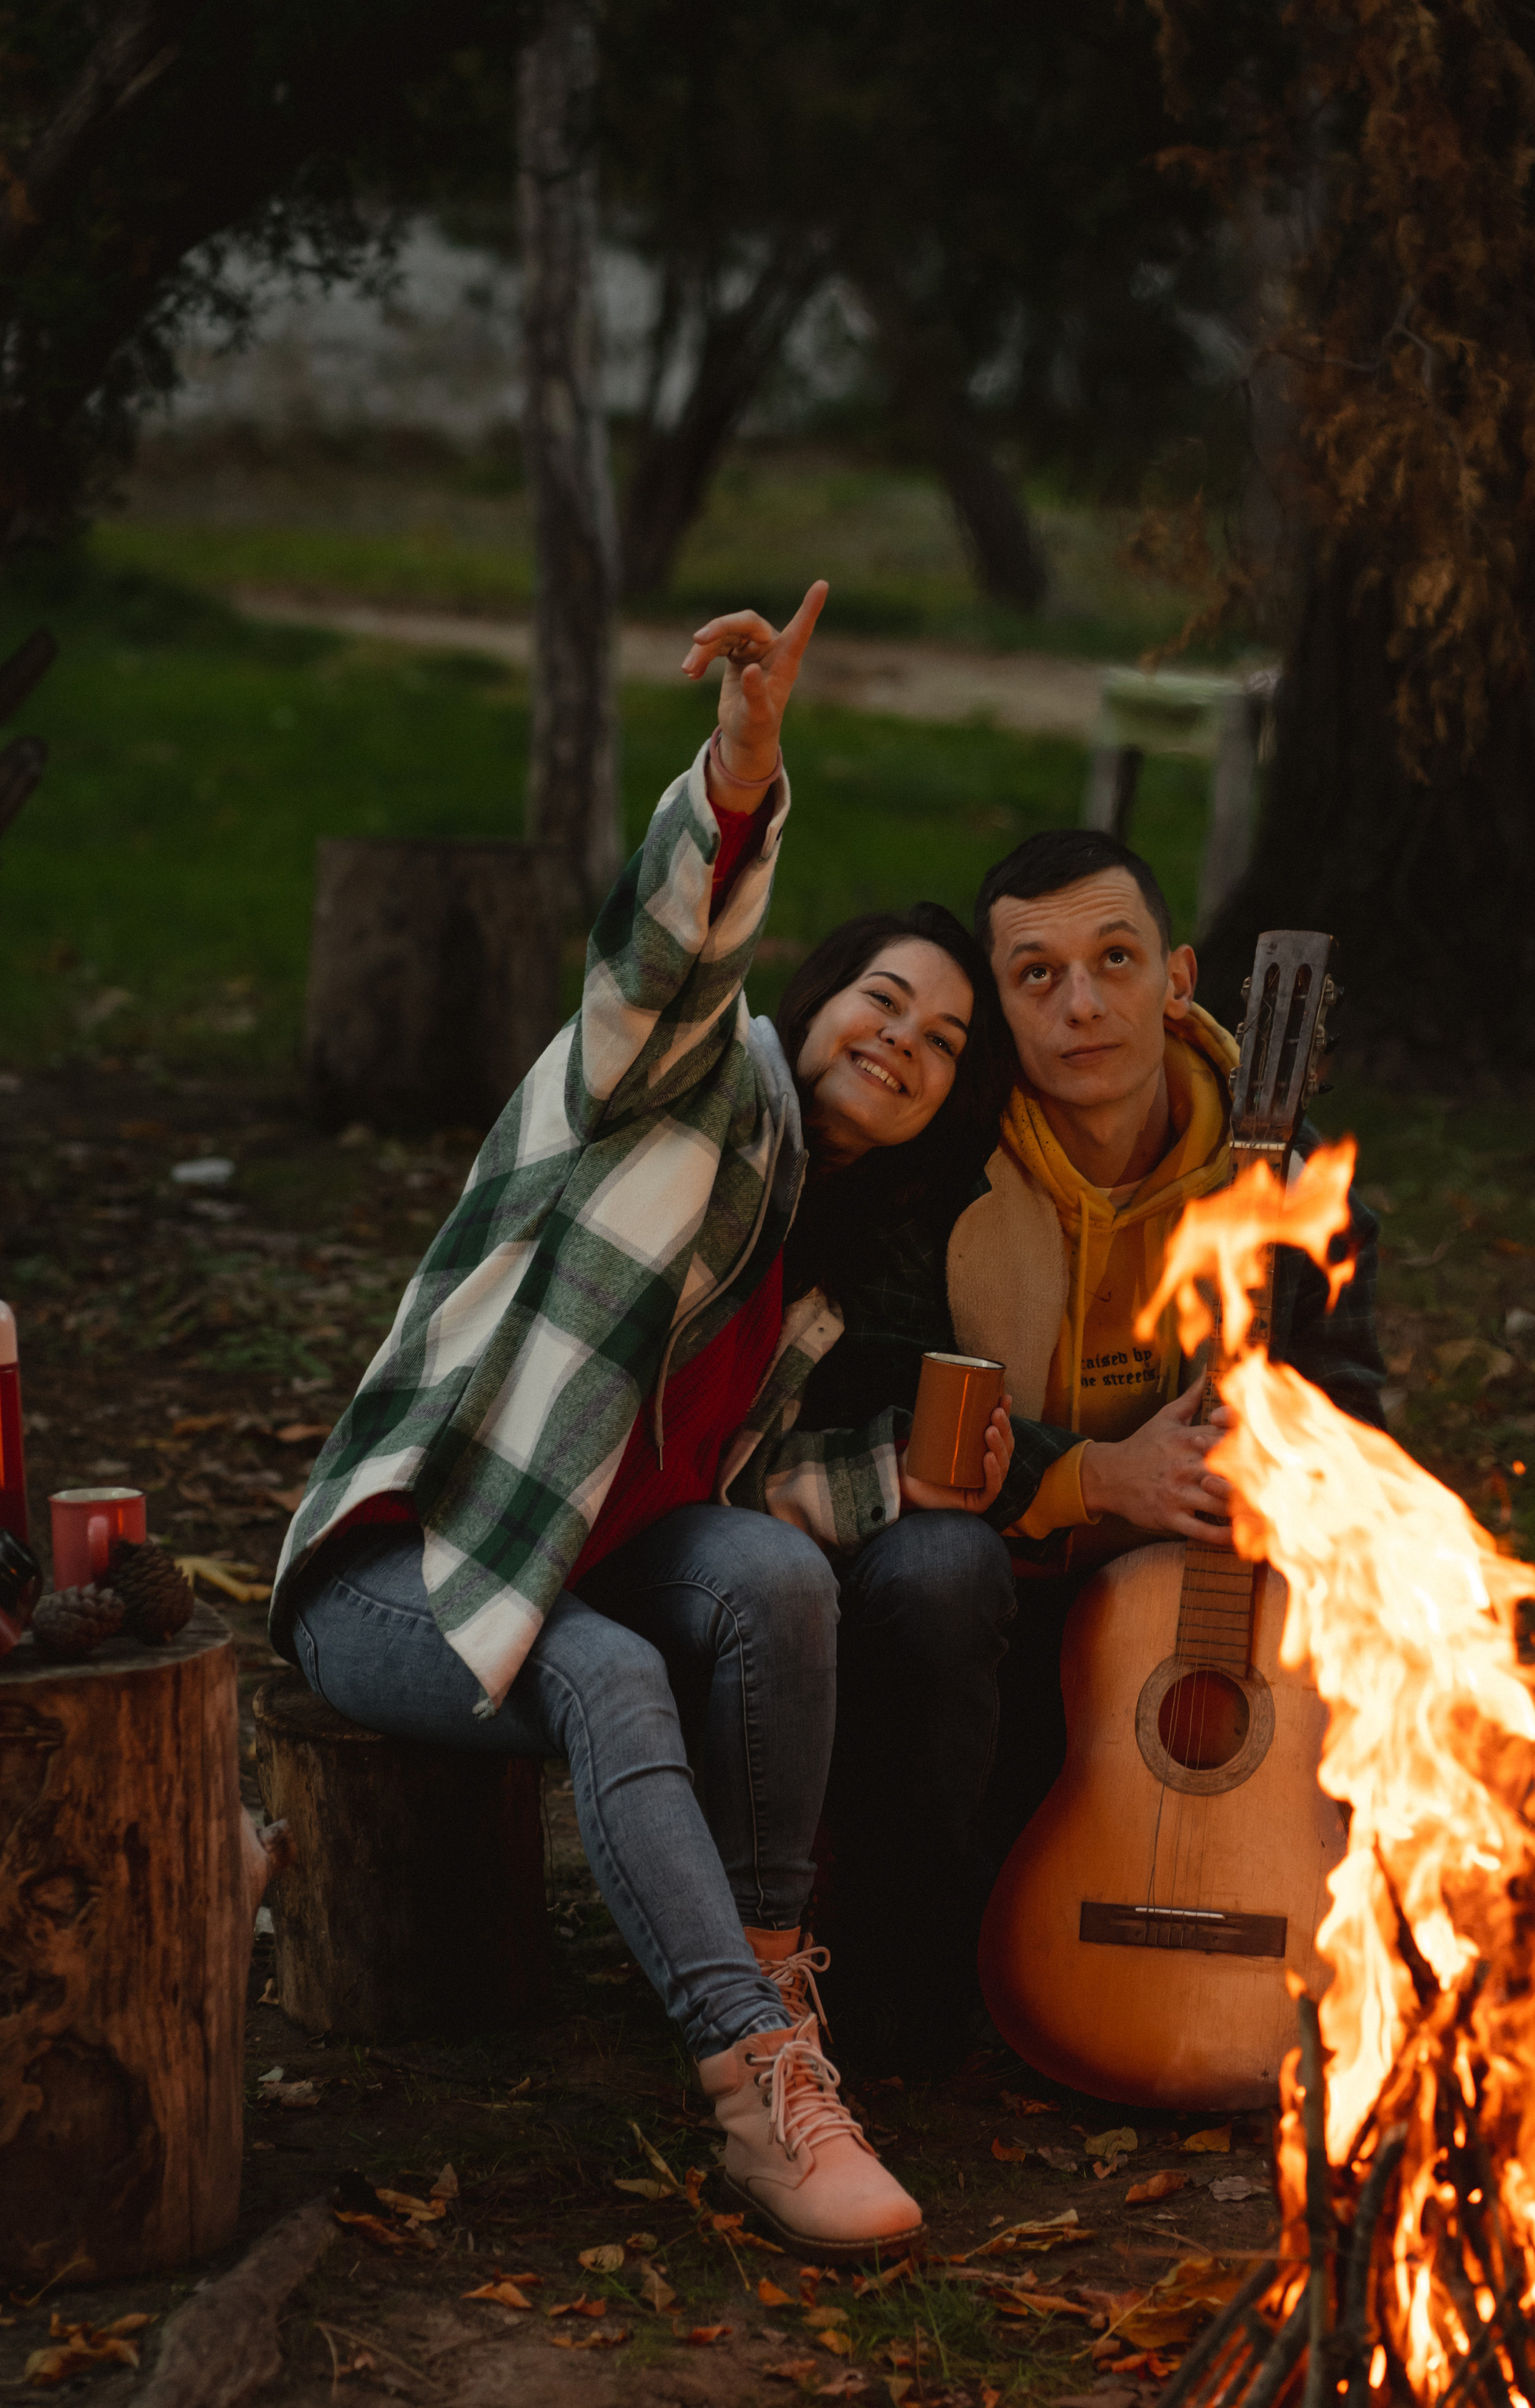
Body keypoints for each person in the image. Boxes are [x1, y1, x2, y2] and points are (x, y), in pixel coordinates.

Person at [268, 582, 1007, 2256]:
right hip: (412, 1565)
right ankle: (757, 2090)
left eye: (946, 1043)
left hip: (584, 1577)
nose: (904, 1039)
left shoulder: (812, 1280)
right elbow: (659, 961)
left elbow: (756, 1495)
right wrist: (738, 775)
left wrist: (958, 1476)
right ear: (816, 998)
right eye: (884, 999)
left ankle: (765, 1971)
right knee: (602, 1671)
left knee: (773, 1578)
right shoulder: (681, 1083)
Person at [748, 826, 1386, 2065]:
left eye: (1116, 960)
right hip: (994, 1598)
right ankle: (902, 1975)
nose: (1083, 1006)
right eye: (1036, 977)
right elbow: (869, 1398)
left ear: (1180, 979)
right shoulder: (935, 1175)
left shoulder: (1299, 1192)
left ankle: (1303, 1927)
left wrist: (1292, 1471)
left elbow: (1358, 1411)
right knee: (935, 1572)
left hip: (1187, 1636)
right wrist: (1094, 1474)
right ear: (996, 1010)